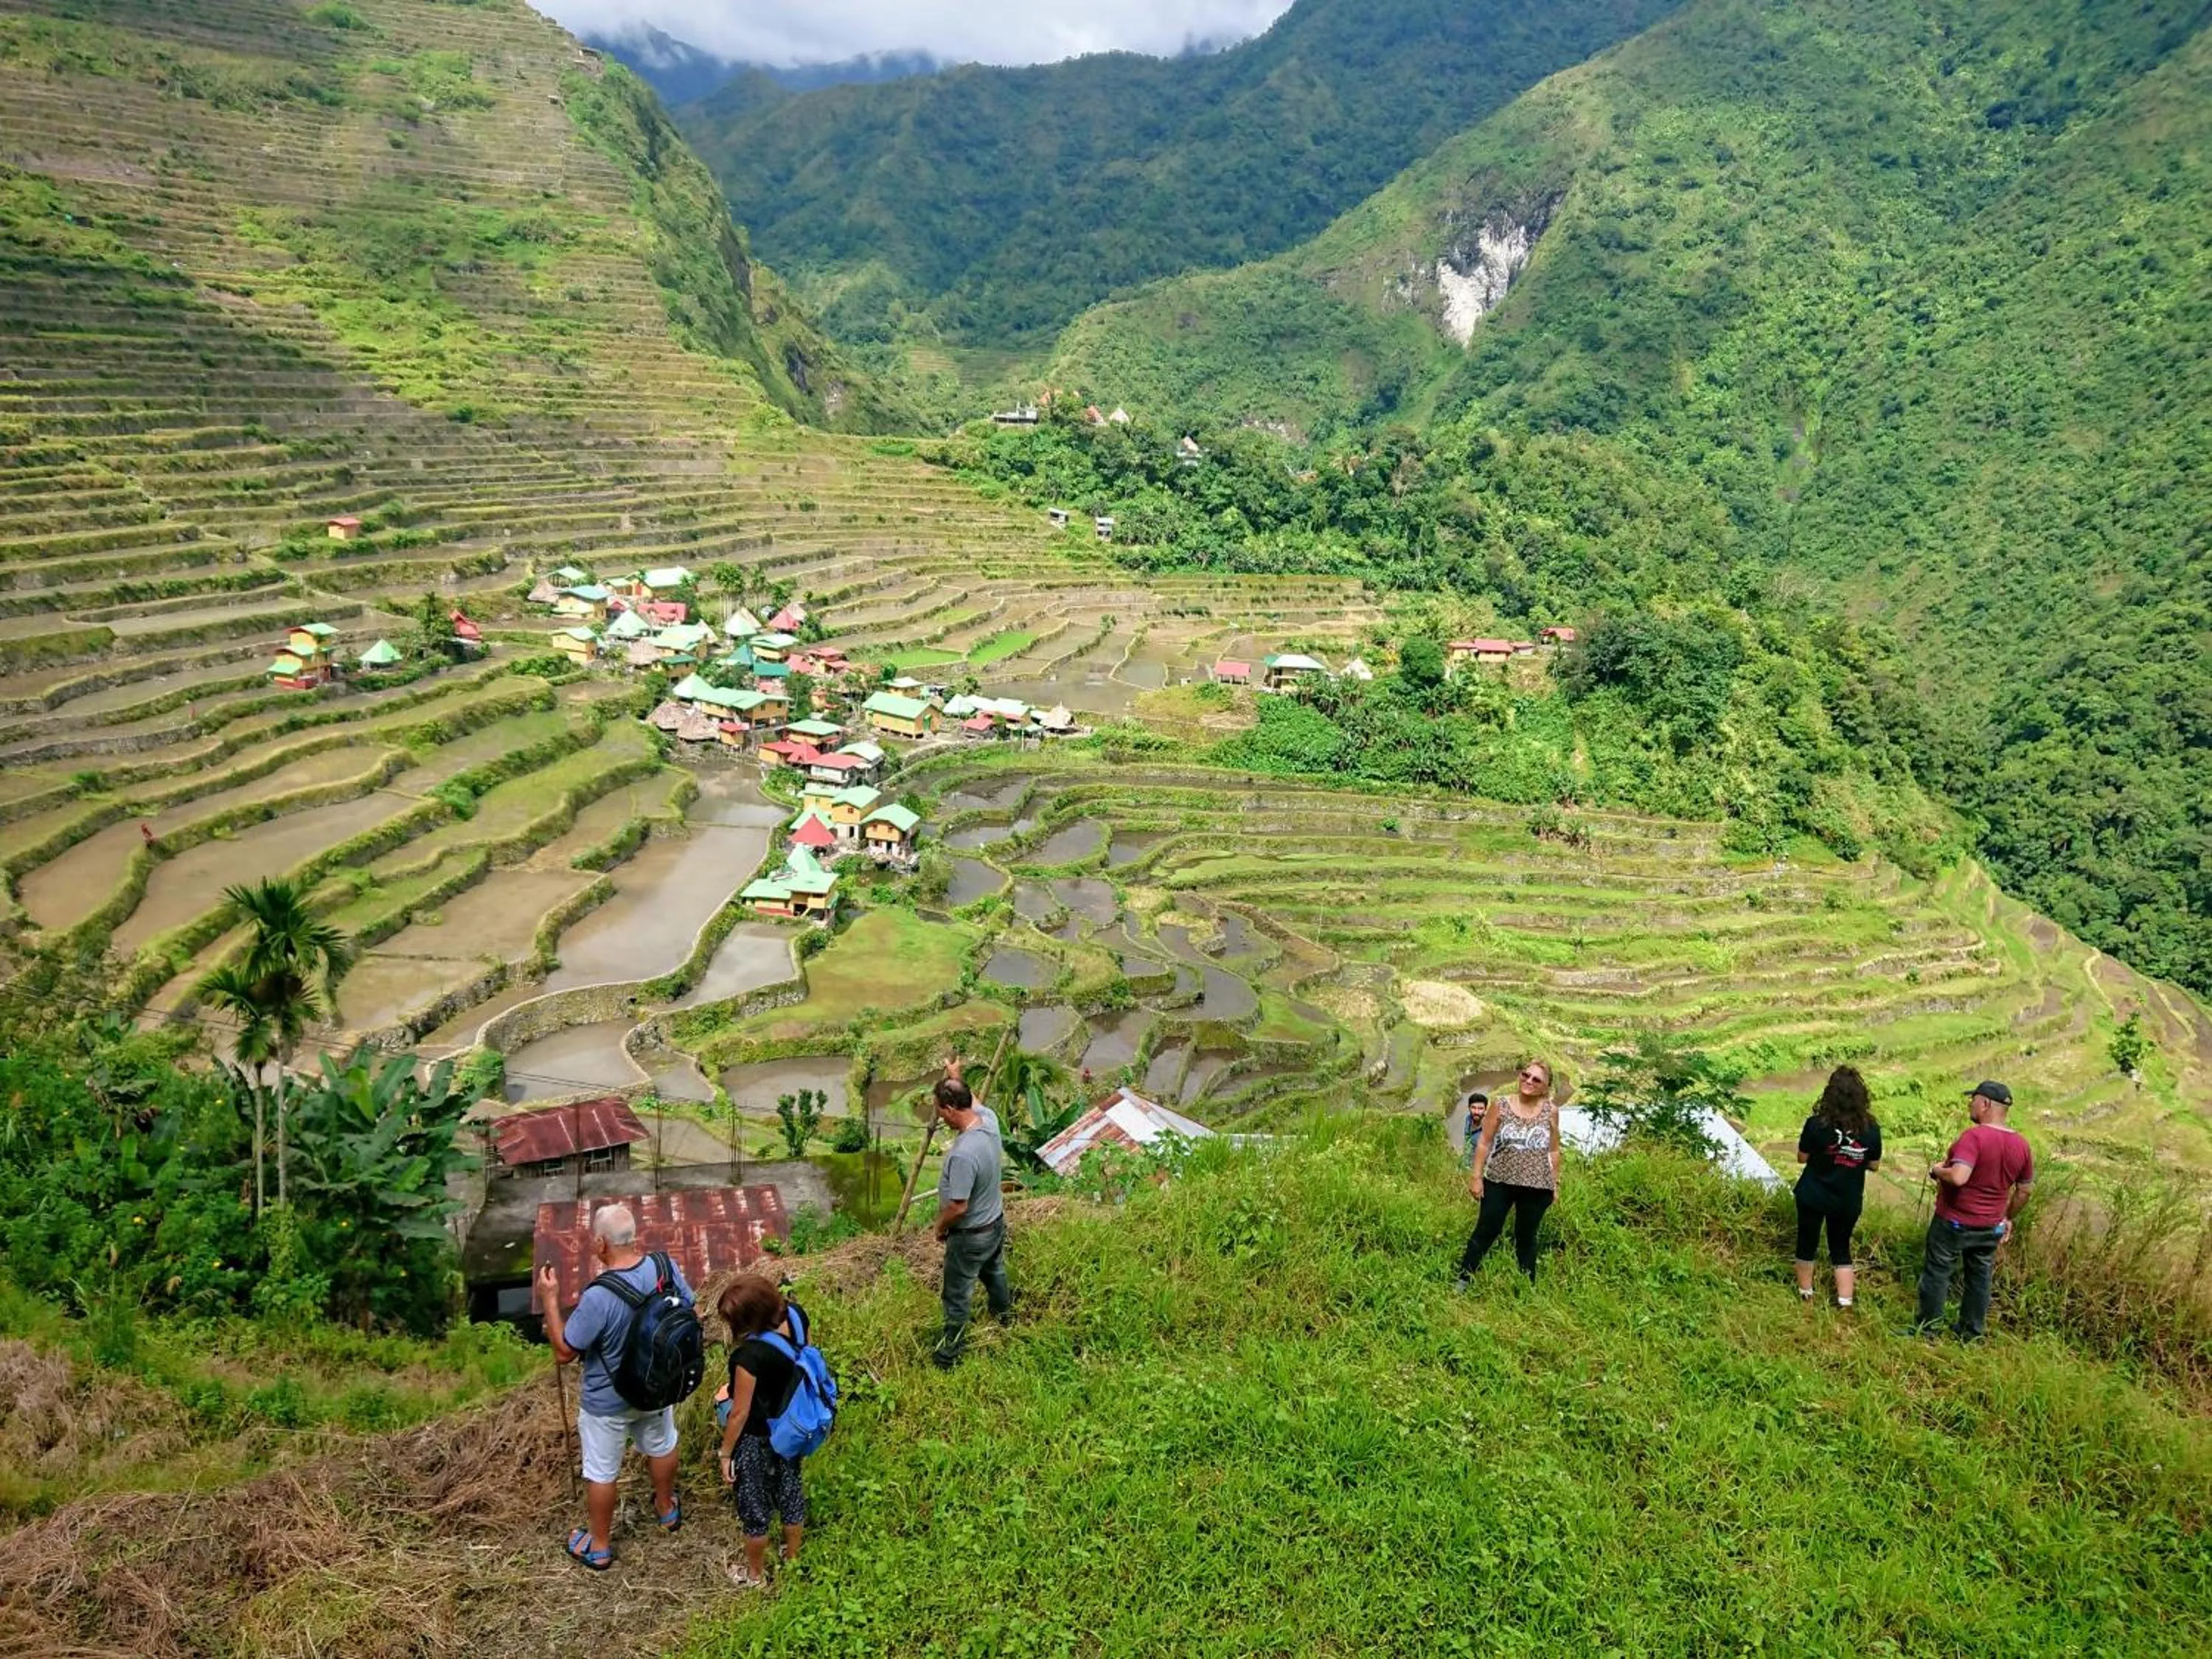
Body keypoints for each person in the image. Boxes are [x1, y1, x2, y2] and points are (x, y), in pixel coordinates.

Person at [537, 1203, 692, 1570]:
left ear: (601, 1244)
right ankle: (667, 1509)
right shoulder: (664, 1267)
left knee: (602, 1470)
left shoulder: (599, 1296)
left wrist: (549, 1299)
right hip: (657, 1385)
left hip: (608, 1401)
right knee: (662, 1443)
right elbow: (690, 1308)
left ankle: (601, 1545)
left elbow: (564, 1351)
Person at [1916, 1080, 2035, 1340]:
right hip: (1991, 1225)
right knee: (1979, 1278)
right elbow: (2024, 1190)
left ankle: (1928, 1331)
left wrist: (1937, 1171)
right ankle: (1970, 1332)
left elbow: (1959, 1177)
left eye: (1973, 1100)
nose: (1969, 1104)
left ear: (1985, 1104)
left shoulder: (1974, 1137)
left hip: (1955, 1221)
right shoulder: (2022, 1145)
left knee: (1938, 1272)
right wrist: (2007, 1218)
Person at [713, 1275, 809, 1590]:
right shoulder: (796, 1317)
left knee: (755, 1504)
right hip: (791, 1426)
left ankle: (755, 1575)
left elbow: (740, 1413)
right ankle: (792, 1558)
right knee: (790, 1487)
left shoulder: (748, 1357)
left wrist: (726, 1453)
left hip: (757, 1435)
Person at [931, 1052, 1009, 1368]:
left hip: (971, 1235)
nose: (938, 1116)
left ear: (950, 1110)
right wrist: (956, 1075)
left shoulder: (963, 1154)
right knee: (995, 1272)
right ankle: (1005, 1317)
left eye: (939, 1110)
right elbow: (973, 1101)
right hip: (995, 1223)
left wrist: (939, 1227)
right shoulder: (989, 1122)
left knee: (957, 1295)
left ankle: (949, 1354)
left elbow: (958, 1206)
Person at [1457, 1060, 1561, 1287]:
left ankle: (1526, 1285)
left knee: (1526, 1237)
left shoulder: (1551, 1112)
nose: (1529, 1081)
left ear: (1546, 1087)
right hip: (1499, 1181)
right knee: (1486, 1229)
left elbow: (1554, 1150)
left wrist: (1555, 1184)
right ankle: (1465, 1278)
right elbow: (1484, 1142)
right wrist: (1476, 1177)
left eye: (1536, 1079)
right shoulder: (1501, 1105)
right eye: (1526, 1075)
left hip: (1536, 1185)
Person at [1793, 1065, 1882, 1308]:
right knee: (1841, 1249)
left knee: (1806, 1243)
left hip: (1812, 1194)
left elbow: (1802, 1158)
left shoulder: (1815, 1125)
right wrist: (1852, 1158)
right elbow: (1874, 1165)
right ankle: (1845, 1305)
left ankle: (1806, 1297)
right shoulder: (1871, 1130)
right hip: (1847, 1198)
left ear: (1829, 1094)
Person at [1457, 1090, 1490, 1171]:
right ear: (1468, 1107)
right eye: (1473, 1108)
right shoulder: (1468, 1119)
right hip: (1466, 1163)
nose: (1476, 1112)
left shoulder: (1489, 1129)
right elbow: (1467, 1139)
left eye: (1480, 1109)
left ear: (1485, 1110)